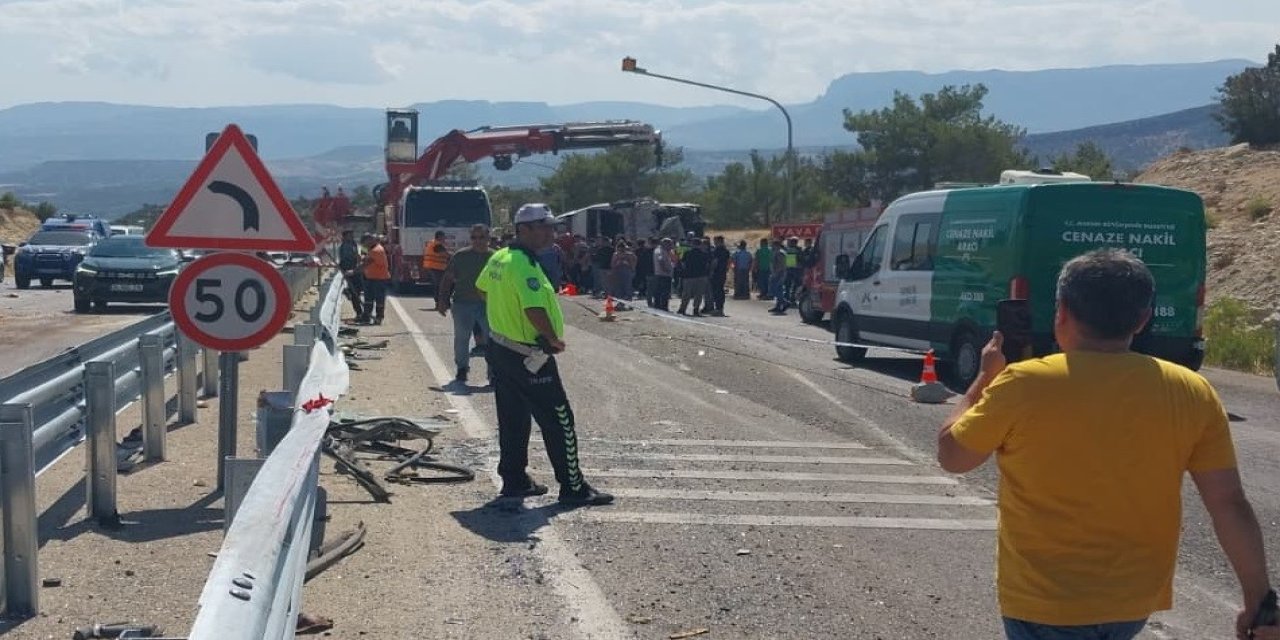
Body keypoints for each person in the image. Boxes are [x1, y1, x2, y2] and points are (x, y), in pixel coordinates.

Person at [936, 249, 1278, 640]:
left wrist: (983, 378)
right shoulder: (1191, 389)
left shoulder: (1023, 382)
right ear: (1143, 319)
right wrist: (1259, 598)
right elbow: (1228, 503)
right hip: (1131, 605)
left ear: (1062, 312)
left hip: (1045, 602)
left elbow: (952, 456)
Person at [477, 204, 614, 506]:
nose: (551, 233)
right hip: (528, 353)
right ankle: (573, 486)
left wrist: (505, 314)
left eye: (552, 226)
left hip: (501, 349)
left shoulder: (500, 257)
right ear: (524, 229)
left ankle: (514, 480)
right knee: (559, 419)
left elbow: (483, 289)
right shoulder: (524, 264)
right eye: (544, 227)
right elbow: (533, 308)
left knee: (513, 418)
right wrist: (552, 338)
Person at [436, 224, 494, 385]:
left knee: (492, 340)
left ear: (488, 238)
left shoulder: (495, 258)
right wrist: (442, 300)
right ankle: (462, 369)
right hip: (463, 303)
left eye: (481, 237)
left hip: (488, 305)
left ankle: (493, 372)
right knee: (462, 338)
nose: (477, 241)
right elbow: (448, 278)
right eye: (474, 237)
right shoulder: (461, 256)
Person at [359, 233, 391, 325]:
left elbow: (366, 263)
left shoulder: (377, 250)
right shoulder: (370, 248)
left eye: (365, 243)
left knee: (379, 299)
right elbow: (364, 256)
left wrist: (353, 271)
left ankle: (378, 318)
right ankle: (366, 317)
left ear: (370, 240)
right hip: (371, 278)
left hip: (379, 279)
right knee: (368, 299)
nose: (364, 245)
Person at [677, 237, 710, 316]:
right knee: (698, 294)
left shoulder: (687, 253)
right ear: (700, 244)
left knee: (686, 294)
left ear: (692, 244)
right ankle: (696, 309)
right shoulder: (704, 254)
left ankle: (682, 308)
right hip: (701, 276)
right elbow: (707, 265)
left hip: (689, 276)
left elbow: (683, 264)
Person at [337, 229, 364, 317]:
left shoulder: (353, 244)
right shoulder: (345, 246)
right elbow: (345, 260)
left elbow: (357, 256)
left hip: (356, 271)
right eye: (349, 235)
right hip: (350, 271)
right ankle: (359, 312)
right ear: (345, 236)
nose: (352, 236)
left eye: (352, 234)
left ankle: (360, 312)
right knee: (355, 293)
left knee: (357, 291)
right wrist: (347, 270)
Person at [708, 236, 731, 316]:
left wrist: (711, 271)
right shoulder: (726, 251)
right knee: (720, 290)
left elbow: (715, 261)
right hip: (723, 273)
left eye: (715, 241)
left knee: (716, 290)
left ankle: (718, 308)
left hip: (716, 272)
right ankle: (720, 308)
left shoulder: (717, 250)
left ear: (718, 241)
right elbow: (728, 262)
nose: (714, 242)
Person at [422, 230, 451, 294]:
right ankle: (438, 297)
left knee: (438, 283)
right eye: (443, 236)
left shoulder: (432, 243)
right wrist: (454, 256)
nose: (444, 238)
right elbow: (445, 254)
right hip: (436, 267)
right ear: (439, 236)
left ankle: (438, 296)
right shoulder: (437, 244)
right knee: (440, 283)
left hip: (432, 266)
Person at [651, 238, 675, 311]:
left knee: (663, 291)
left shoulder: (667, 251)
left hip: (666, 275)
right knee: (663, 291)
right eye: (670, 244)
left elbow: (673, 259)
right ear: (665, 244)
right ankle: (661, 306)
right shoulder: (659, 251)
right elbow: (660, 260)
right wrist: (666, 269)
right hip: (662, 274)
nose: (671, 246)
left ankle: (661, 306)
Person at [767, 238, 789, 314]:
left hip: (779, 274)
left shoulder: (780, 253)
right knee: (778, 290)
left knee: (775, 289)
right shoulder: (777, 252)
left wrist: (776, 273)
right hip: (777, 273)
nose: (772, 246)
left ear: (776, 245)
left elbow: (782, 265)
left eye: (773, 245)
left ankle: (785, 302)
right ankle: (778, 306)